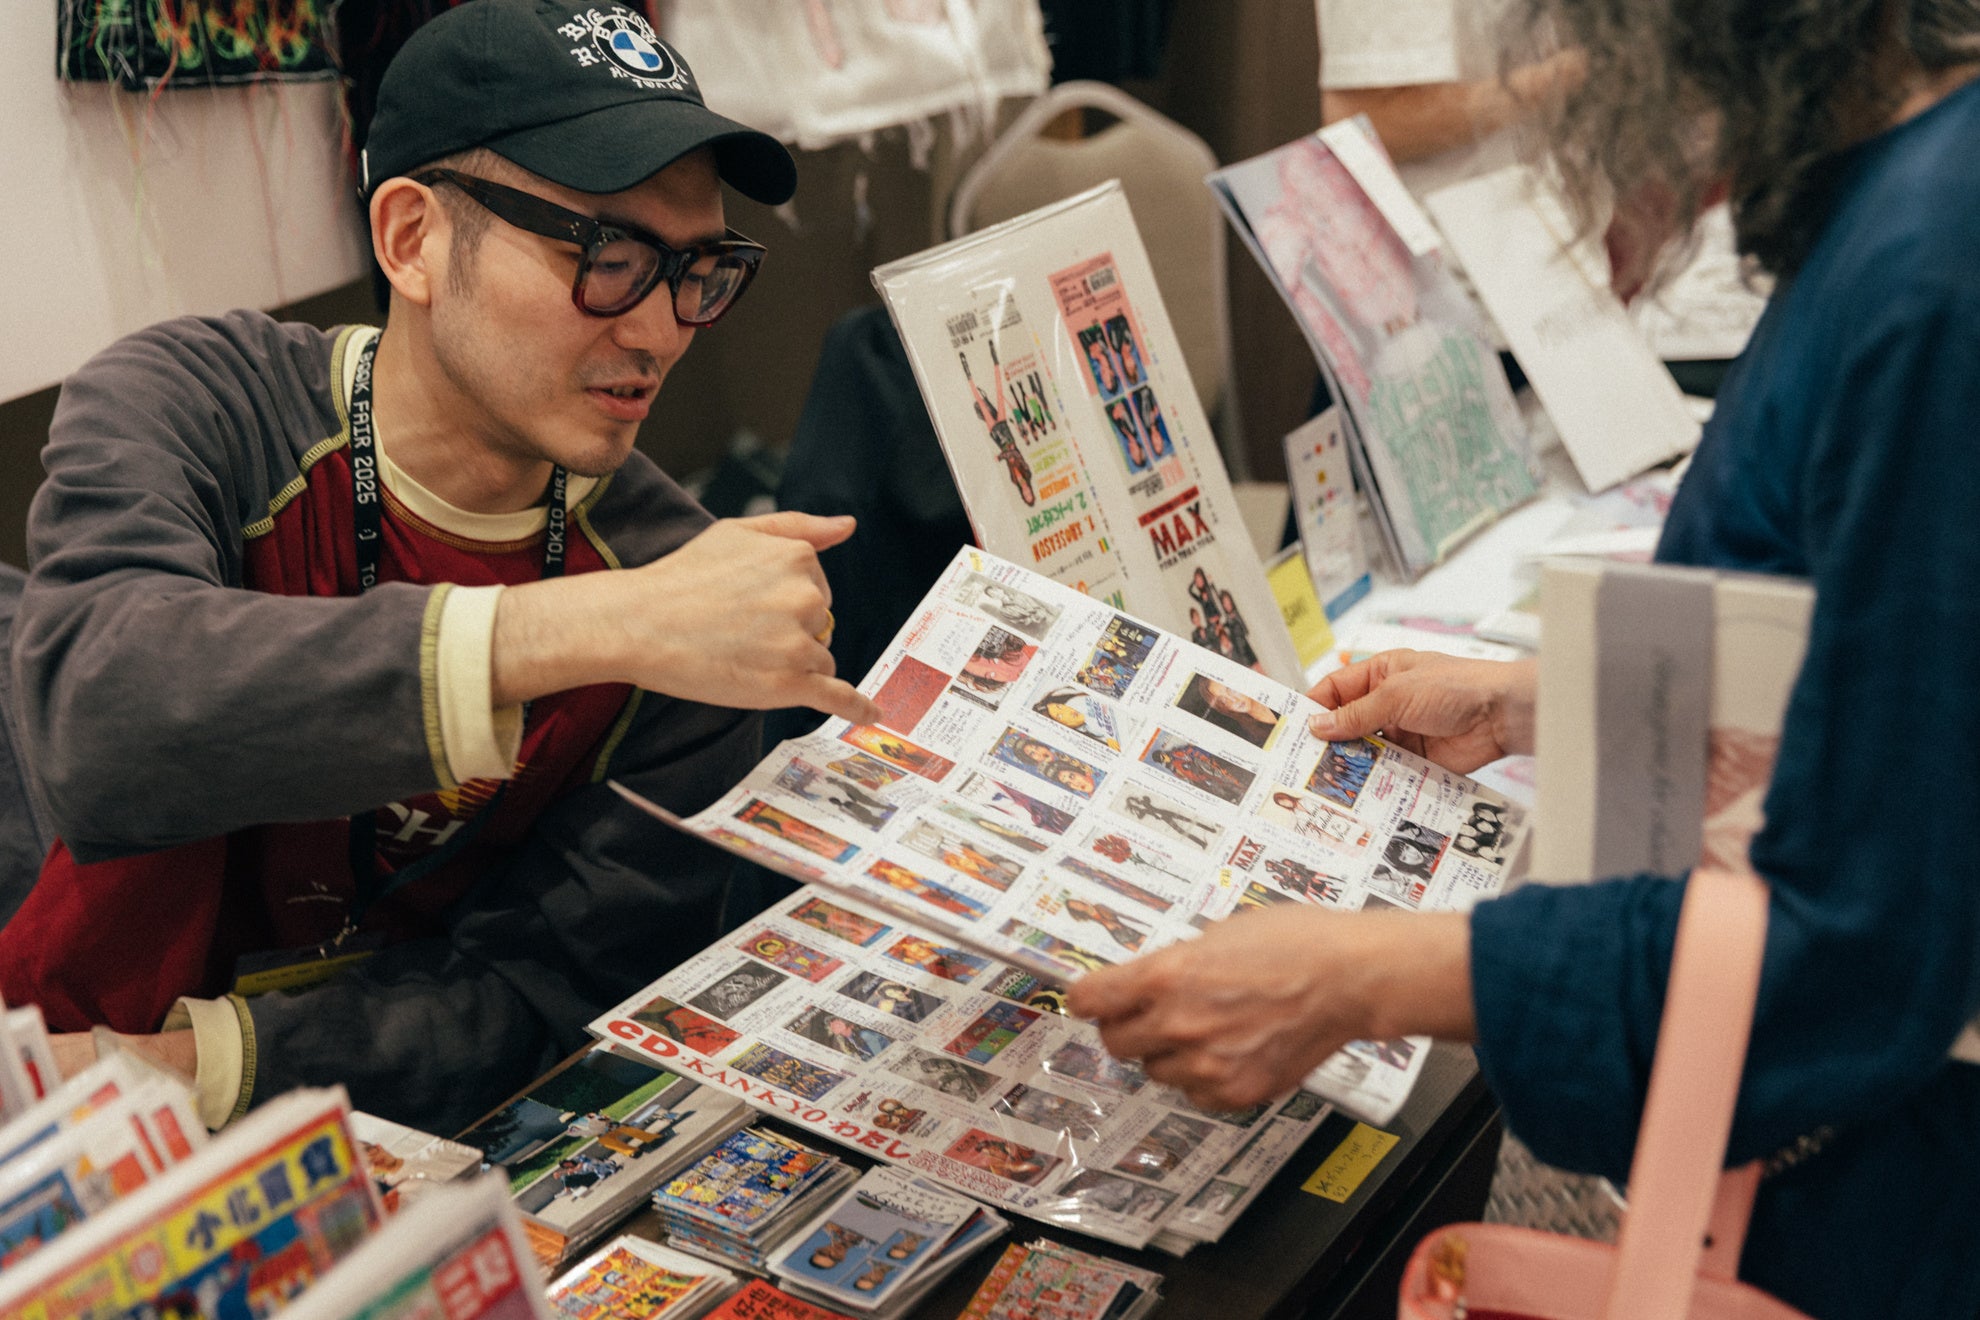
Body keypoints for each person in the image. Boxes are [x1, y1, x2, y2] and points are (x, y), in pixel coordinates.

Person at [1073, 5, 1980, 1314]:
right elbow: (1851, 670)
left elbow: (1864, 937)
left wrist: (1359, 977)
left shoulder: (1933, 273)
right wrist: (1538, 701)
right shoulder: (1906, 201)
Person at [0, 0, 885, 1136]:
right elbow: (98, 719)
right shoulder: (202, 404)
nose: (663, 331)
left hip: (364, 1130)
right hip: (49, 1061)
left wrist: (175, 1069)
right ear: (412, 239)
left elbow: (550, 998)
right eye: (609, 258)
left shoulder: (680, 588)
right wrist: (587, 628)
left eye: (699, 271)